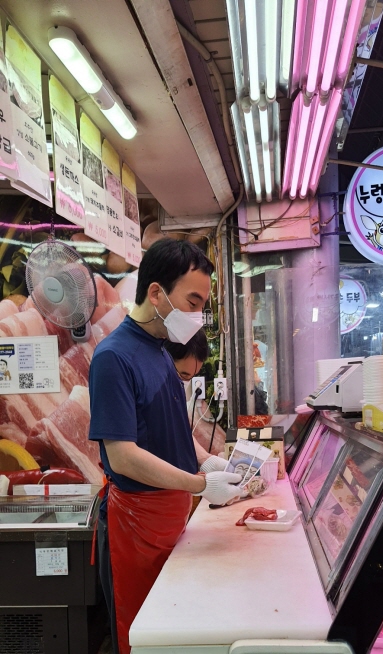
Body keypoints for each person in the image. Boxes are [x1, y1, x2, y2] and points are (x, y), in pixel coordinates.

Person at [88, 239, 243, 654]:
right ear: (156, 293)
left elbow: (173, 426)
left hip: (171, 517)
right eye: (192, 301)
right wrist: (197, 485)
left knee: (176, 632)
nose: (198, 315)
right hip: (136, 524)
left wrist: (208, 461)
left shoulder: (159, 351)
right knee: (145, 636)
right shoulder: (113, 358)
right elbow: (124, 455)